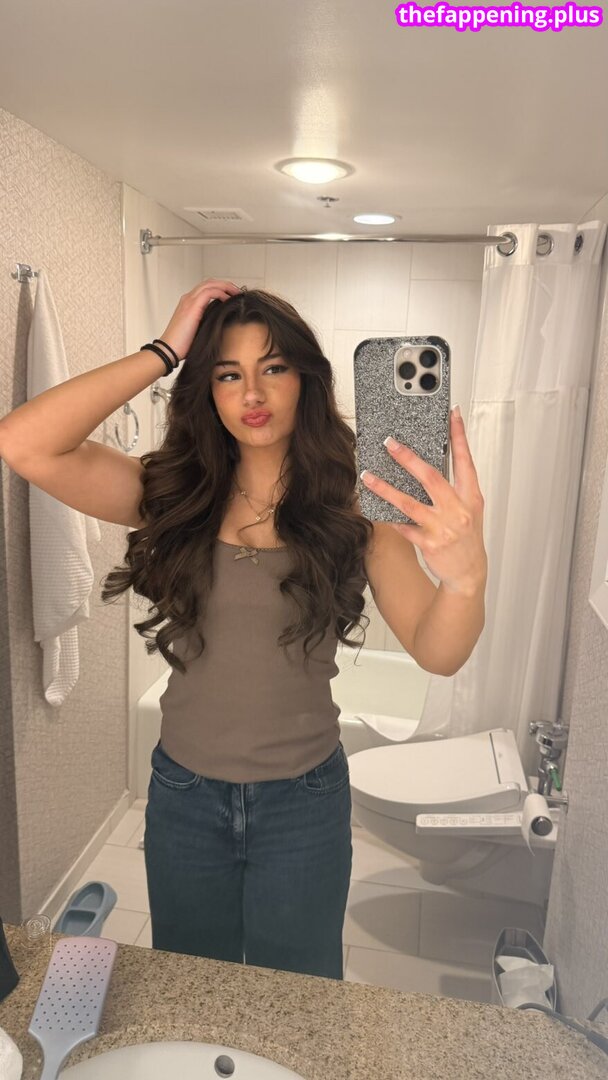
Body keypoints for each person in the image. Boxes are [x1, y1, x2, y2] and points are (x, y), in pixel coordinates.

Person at [0, 279, 488, 981]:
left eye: (273, 367)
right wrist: (163, 350)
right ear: (206, 388)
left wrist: (465, 579)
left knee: (301, 997)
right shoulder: (171, 494)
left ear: (306, 378)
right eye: (228, 374)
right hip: (185, 798)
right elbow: (23, 443)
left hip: (304, 804)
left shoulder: (356, 507)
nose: (252, 394)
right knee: (194, 990)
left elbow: (438, 653)